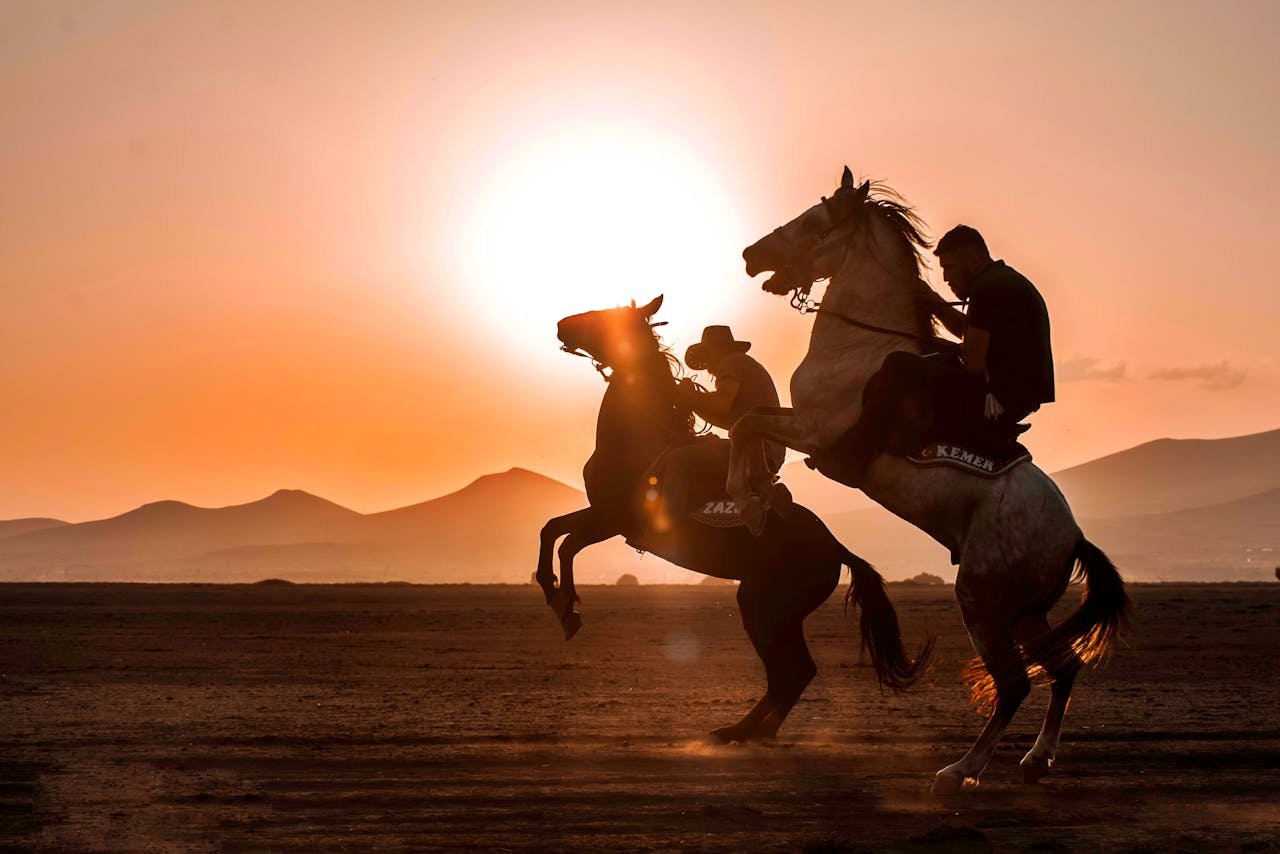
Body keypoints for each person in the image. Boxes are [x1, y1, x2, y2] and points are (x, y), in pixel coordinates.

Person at [837, 224, 1055, 481]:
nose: (946, 278)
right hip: (1013, 393)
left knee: (898, 364)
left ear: (973, 260)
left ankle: (853, 455)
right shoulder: (1002, 281)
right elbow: (970, 332)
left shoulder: (988, 289)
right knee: (931, 358)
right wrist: (931, 301)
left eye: (950, 268)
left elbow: (973, 361)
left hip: (995, 396)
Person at [655, 325, 785, 526]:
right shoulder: (744, 363)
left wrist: (690, 395)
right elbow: (727, 420)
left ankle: (668, 528)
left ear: (716, 350)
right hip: (766, 451)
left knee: (678, 460)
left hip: (755, 452)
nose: (707, 367)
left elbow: (721, 404)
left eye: (707, 356)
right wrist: (693, 401)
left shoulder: (731, 362)